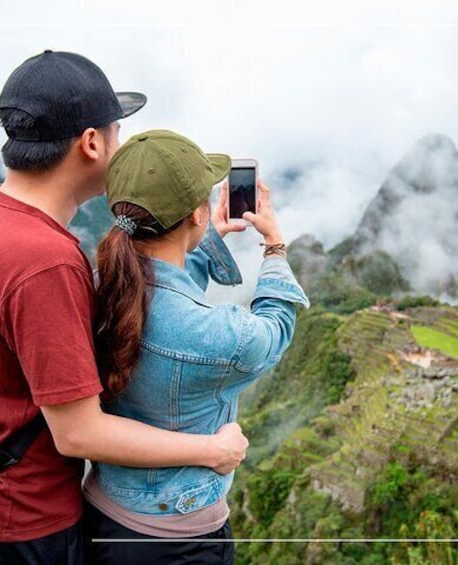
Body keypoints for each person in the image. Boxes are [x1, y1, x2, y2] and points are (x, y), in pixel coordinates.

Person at [0, 51, 248, 564]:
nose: (121, 146)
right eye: (117, 132)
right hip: (24, 530)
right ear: (93, 143)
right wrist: (214, 450)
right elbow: (79, 432)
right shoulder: (45, 263)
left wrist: (197, 241)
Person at [83, 129, 309, 564]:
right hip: (178, 541)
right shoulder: (213, 333)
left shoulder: (97, 285)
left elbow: (160, 285)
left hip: (102, 516)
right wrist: (275, 244)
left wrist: (209, 236)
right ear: (195, 214)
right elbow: (273, 332)